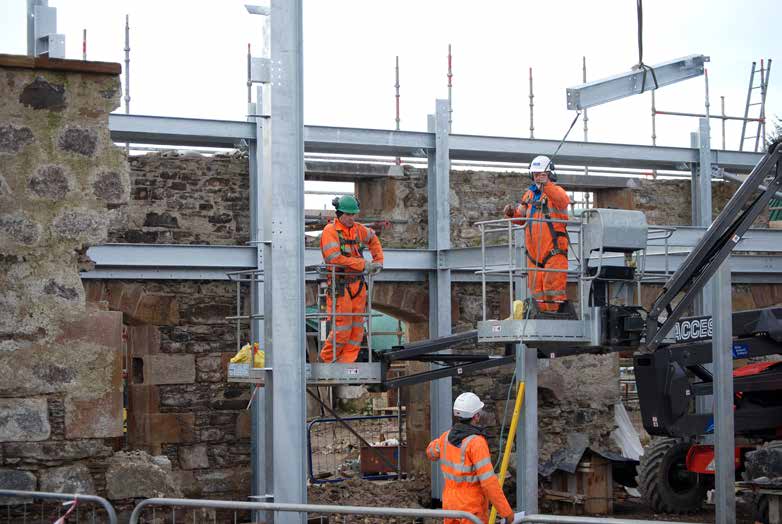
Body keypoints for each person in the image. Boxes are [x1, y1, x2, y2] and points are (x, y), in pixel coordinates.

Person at [427, 392, 525, 524]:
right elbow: (489, 482)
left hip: (450, 506)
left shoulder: (445, 437)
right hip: (471, 510)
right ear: (476, 416)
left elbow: (431, 453)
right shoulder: (476, 443)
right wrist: (506, 513)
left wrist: (439, 446)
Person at [319, 195, 384, 363]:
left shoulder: (358, 229)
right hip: (340, 286)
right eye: (348, 215)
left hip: (358, 286)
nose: (351, 218)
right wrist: (362, 264)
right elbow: (334, 258)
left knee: (357, 331)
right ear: (339, 214)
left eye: (353, 215)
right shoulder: (330, 231)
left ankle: (345, 365)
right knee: (342, 329)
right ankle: (326, 361)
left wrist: (378, 261)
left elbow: (373, 239)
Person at [503, 155, 570, 313]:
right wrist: (511, 213)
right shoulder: (529, 195)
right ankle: (541, 316)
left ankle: (554, 316)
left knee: (552, 289)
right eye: (535, 174)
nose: (537, 176)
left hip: (554, 253)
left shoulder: (556, 193)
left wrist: (546, 184)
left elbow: (562, 201)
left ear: (549, 174)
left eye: (542, 173)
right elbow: (520, 217)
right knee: (536, 290)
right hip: (534, 256)